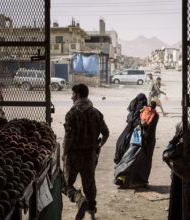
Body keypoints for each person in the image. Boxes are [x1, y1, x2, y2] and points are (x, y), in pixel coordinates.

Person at [61, 84, 109, 220]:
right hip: (90, 156)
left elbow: (69, 137)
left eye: (72, 94)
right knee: (89, 184)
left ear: (77, 95)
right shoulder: (96, 113)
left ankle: (78, 198)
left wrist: (64, 153)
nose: (71, 97)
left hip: (74, 155)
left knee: (65, 183)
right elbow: (106, 133)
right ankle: (90, 212)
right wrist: (98, 146)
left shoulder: (72, 113)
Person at [114, 102, 159, 188]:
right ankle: (133, 181)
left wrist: (141, 124)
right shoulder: (152, 115)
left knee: (130, 160)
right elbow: (149, 130)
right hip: (143, 141)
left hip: (136, 140)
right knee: (137, 161)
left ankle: (124, 179)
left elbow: (137, 123)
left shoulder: (138, 113)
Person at [114, 93, 147, 164]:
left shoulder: (133, 102)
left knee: (122, 139)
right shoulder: (141, 105)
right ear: (143, 100)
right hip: (135, 123)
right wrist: (139, 123)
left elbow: (130, 110)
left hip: (130, 122)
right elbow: (136, 116)